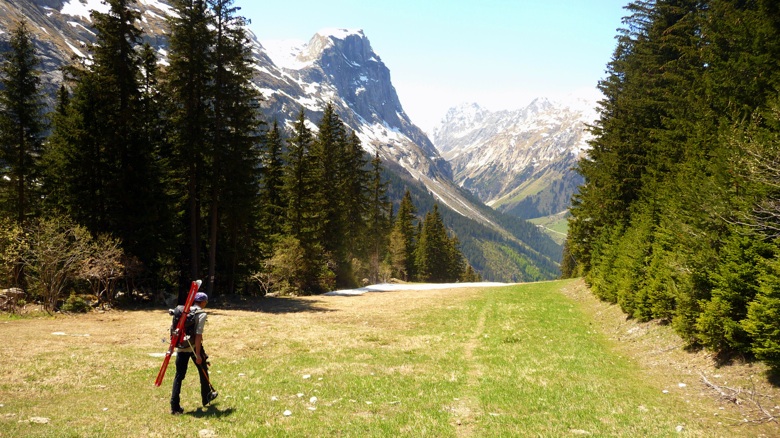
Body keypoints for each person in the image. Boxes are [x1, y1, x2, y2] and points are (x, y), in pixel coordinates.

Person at [170, 292, 218, 414]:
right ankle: (206, 397)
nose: (206, 304)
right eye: (205, 302)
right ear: (202, 302)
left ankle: (174, 406)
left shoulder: (183, 312)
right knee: (203, 371)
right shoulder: (201, 314)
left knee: (179, 376)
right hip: (193, 348)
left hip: (181, 346)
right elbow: (198, 335)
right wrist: (197, 354)